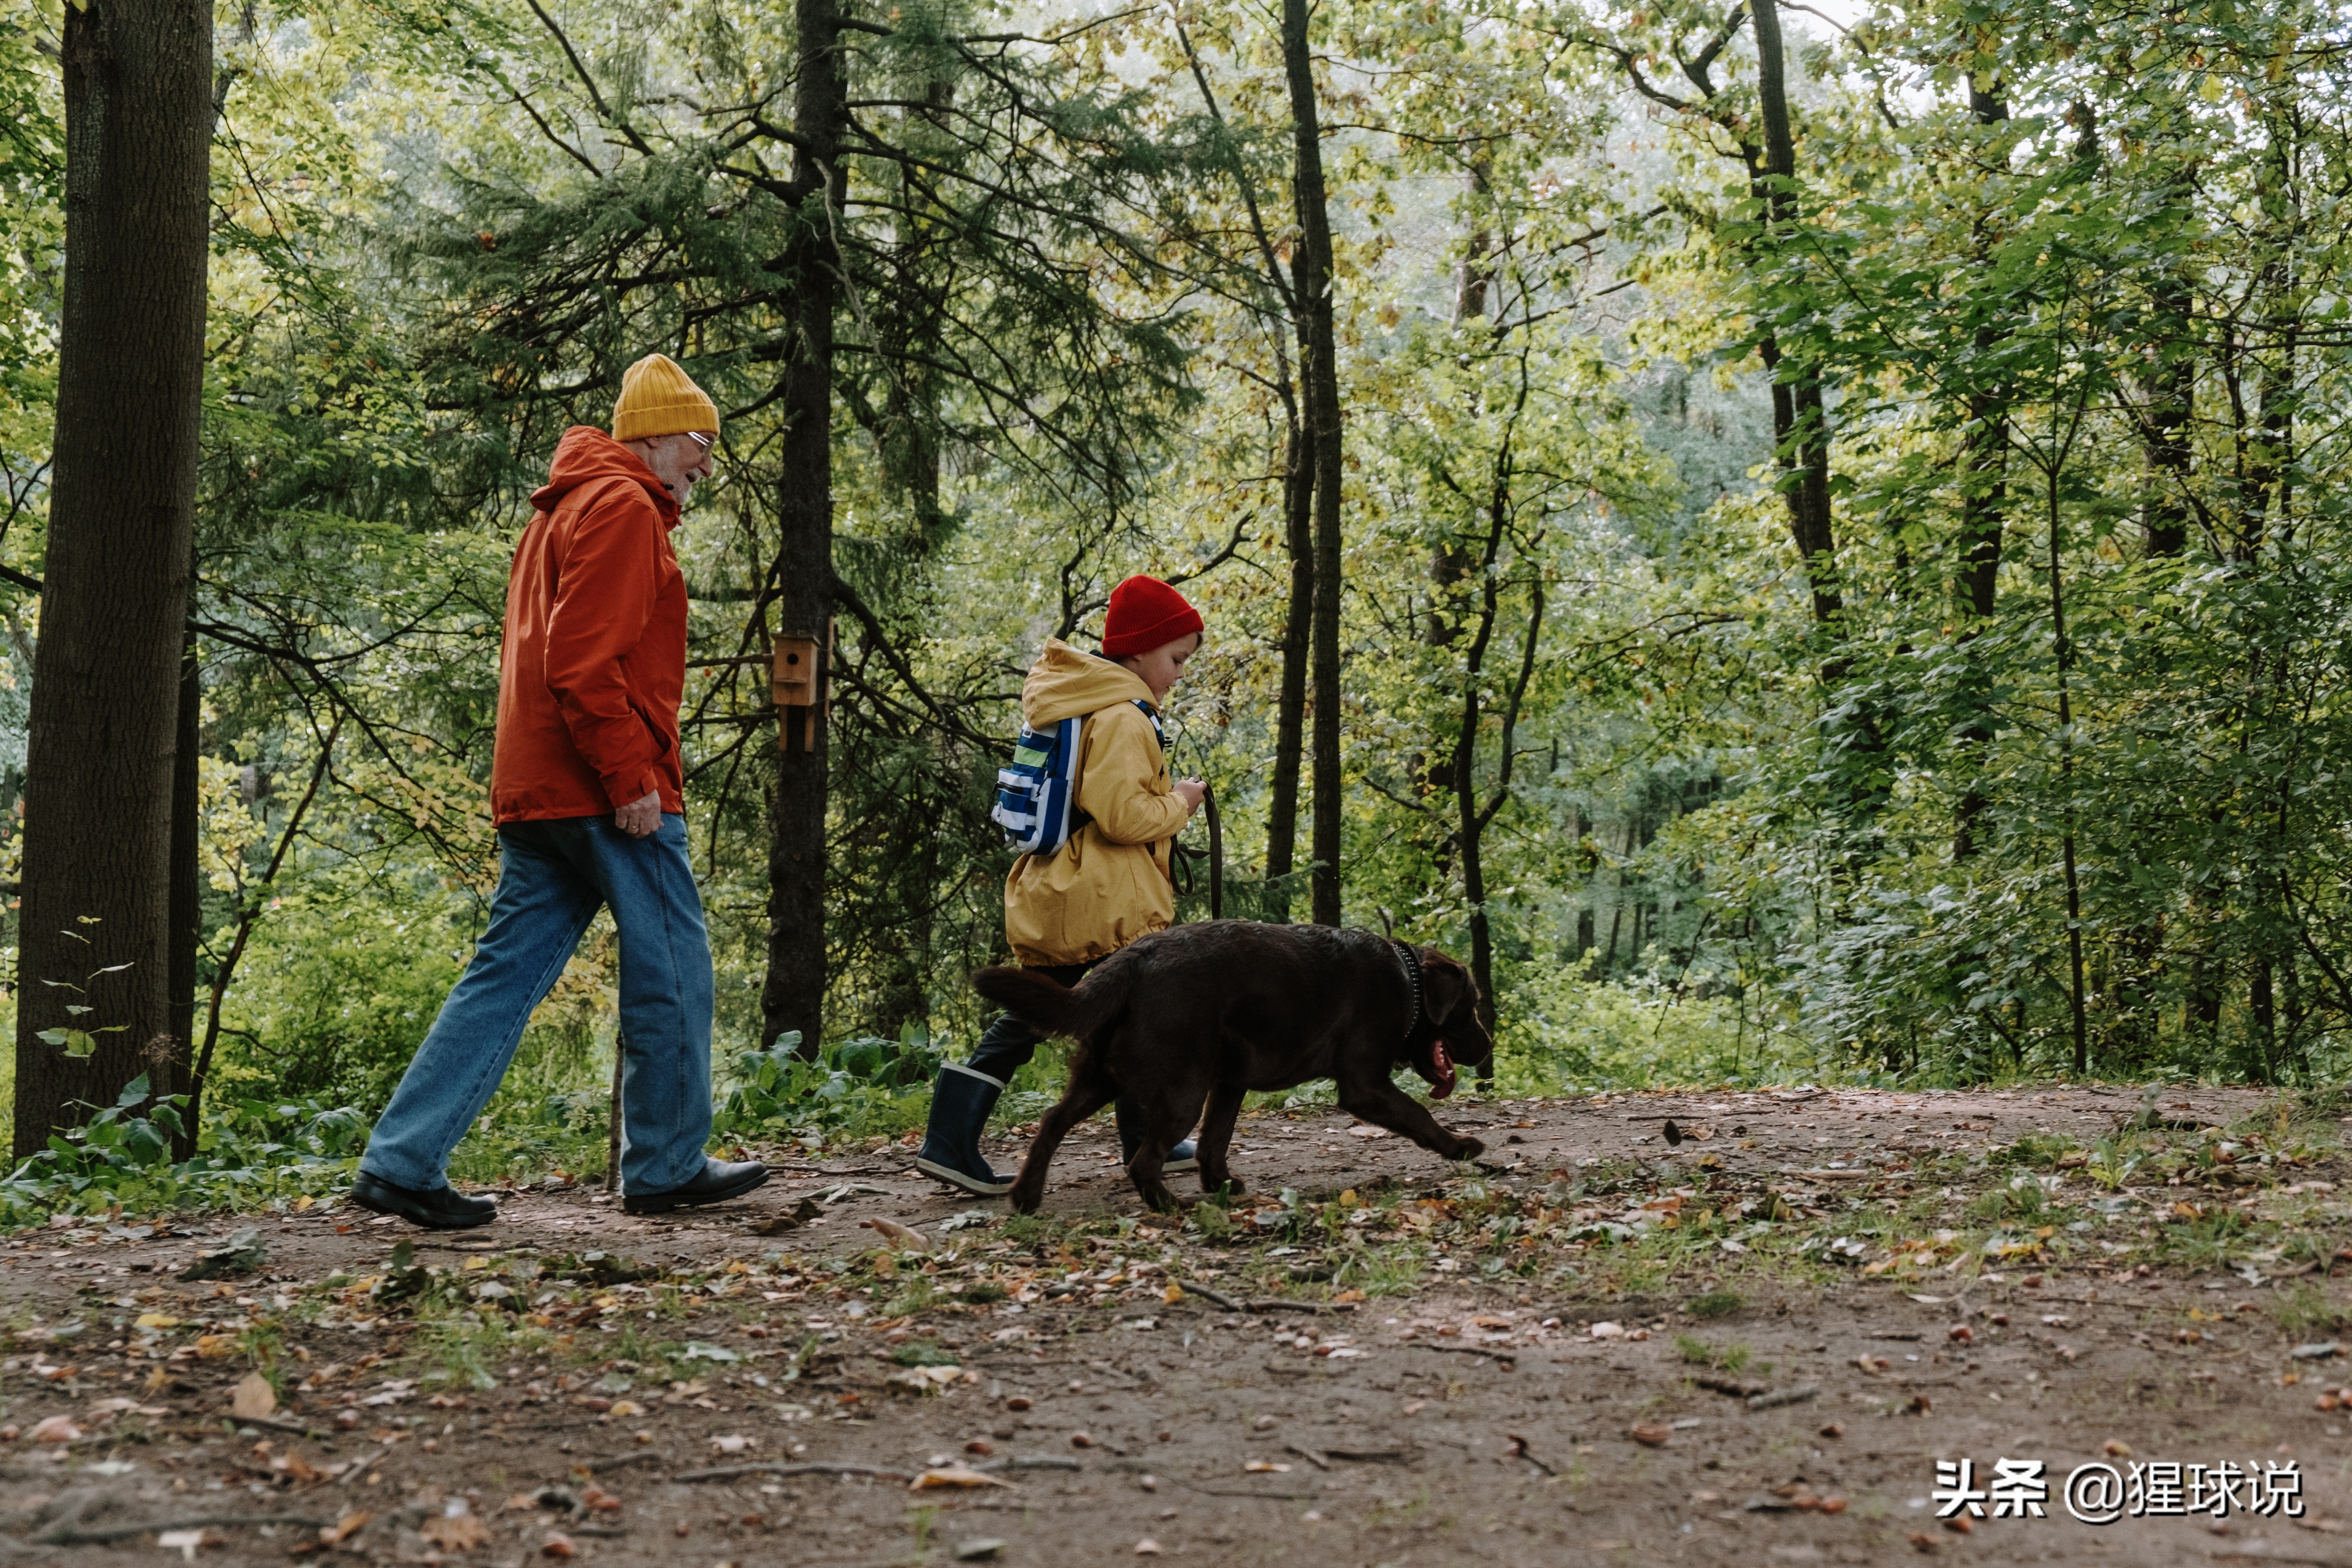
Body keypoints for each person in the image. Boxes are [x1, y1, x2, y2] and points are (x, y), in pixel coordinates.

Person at [350, 353, 768, 1228]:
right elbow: (582, 664)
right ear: (654, 435)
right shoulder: (622, 508)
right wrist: (631, 776)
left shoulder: (565, 509)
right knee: (675, 966)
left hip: (539, 787)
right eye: (699, 442)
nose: (705, 463)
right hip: (602, 787)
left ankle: (402, 1158)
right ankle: (666, 1162)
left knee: (502, 975)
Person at [916, 575, 1210, 1195]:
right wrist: (1180, 802)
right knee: (1125, 1014)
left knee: (1061, 1016)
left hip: (1061, 889)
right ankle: (1138, 1140)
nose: (1179, 673)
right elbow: (1123, 817)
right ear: (1138, 650)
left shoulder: (1082, 703)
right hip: (1102, 901)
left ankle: (1136, 1139)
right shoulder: (1125, 717)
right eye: (1175, 659)